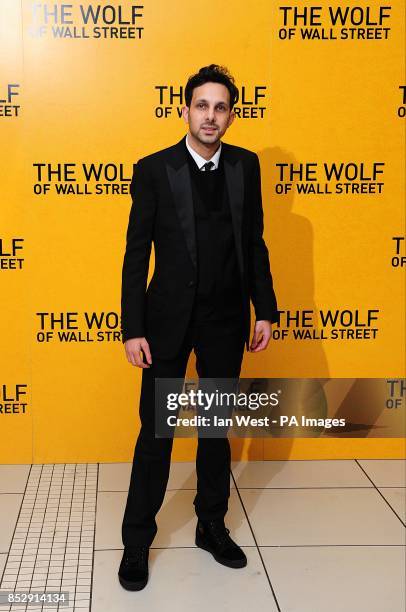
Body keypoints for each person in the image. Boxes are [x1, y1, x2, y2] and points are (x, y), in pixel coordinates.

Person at [118, 64, 279, 591]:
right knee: (158, 434)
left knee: (214, 432)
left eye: (221, 107)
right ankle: (137, 541)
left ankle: (211, 525)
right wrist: (132, 327)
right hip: (166, 322)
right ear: (184, 109)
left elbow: (254, 243)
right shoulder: (154, 169)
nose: (211, 116)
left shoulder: (245, 167)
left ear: (231, 115)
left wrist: (266, 309)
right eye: (202, 105)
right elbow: (136, 254)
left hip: (224, 320)